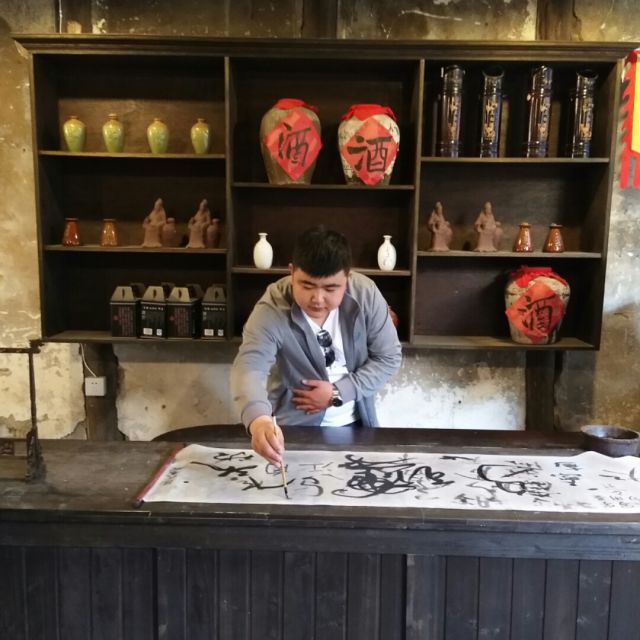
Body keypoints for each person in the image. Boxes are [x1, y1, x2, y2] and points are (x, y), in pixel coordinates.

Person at [231, 227, 402, 466]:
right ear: (292, 272)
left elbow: (389, 358)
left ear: (347, 277)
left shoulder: (366, 295)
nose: (318, 299)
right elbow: (249, 367)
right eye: (307, 285)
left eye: (331, 289)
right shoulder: (273, 306)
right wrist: (258, 420)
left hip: (357, 427)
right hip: (292, 431)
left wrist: (337, 392)